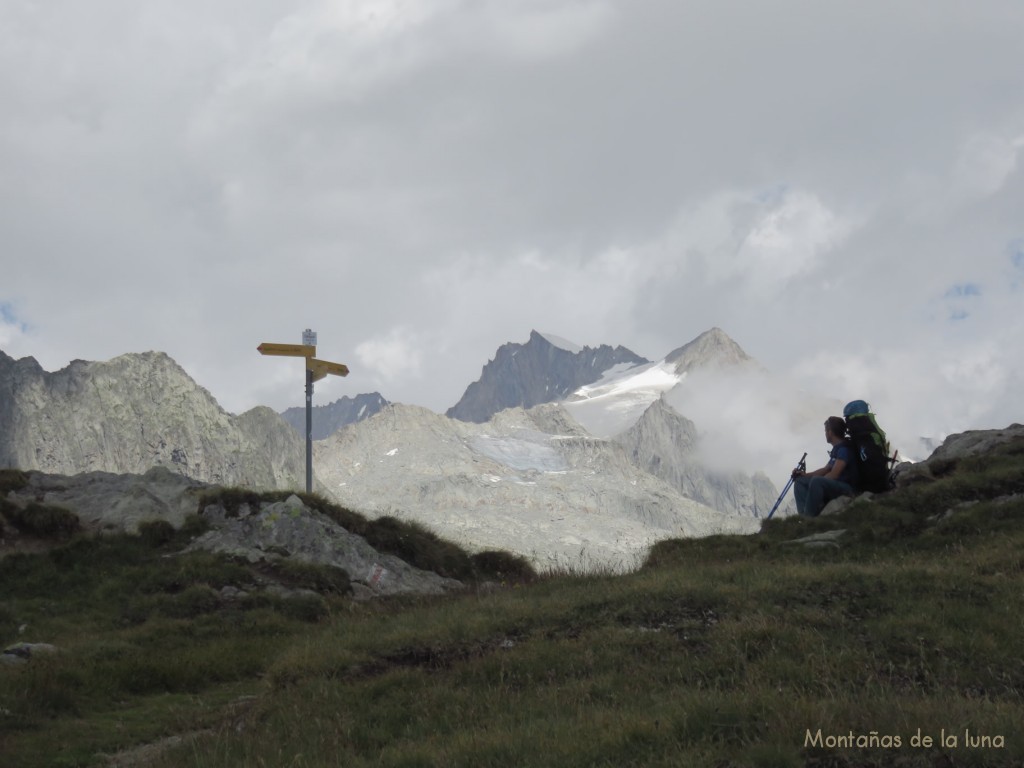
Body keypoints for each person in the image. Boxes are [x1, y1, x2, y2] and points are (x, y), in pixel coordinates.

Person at [792, 416, 860, 517]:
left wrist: (816, 482)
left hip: (847, 488)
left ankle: (808, 518)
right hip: (836, 485)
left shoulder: (843, 450)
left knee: (816, 481)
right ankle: (803, 516)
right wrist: (804, 475)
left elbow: (834, 475)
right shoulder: (837, 449)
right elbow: (825, 469)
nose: (825, 434)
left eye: (825, 431)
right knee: (800, 481)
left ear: (830, 432)